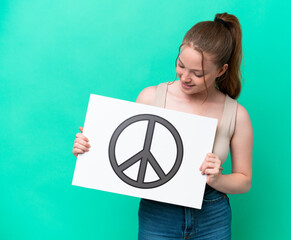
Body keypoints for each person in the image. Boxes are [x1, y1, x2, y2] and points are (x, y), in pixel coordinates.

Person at [72, 12, 253, 240]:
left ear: (221, 70)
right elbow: (124, 153)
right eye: (181, 65)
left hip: (212, 213)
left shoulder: (237, 114)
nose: (185, 77)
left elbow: (244, 180)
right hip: (158, 212)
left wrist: (217, 179)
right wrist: (88, 149)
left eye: (197, 74)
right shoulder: (150, 98)